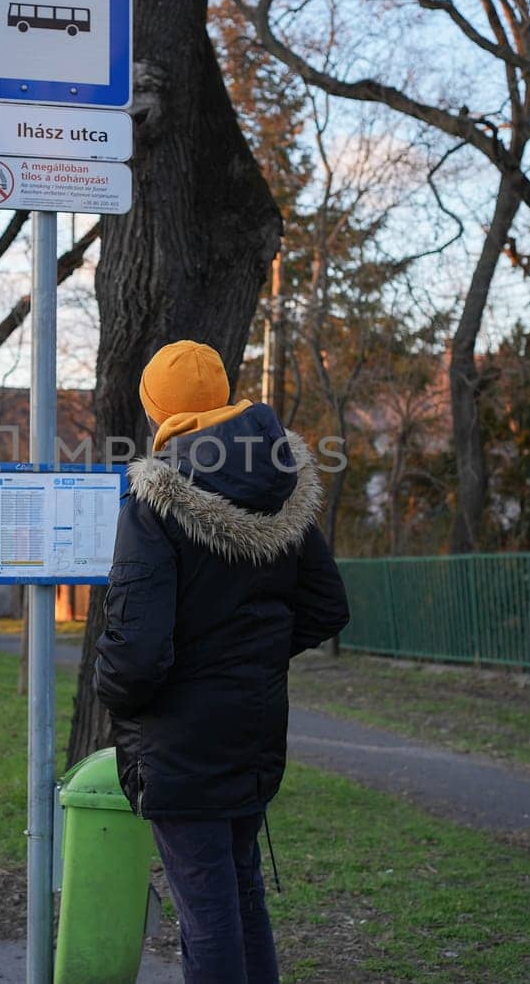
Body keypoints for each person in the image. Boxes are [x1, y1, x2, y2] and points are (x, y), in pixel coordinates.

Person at [94, 339, 351, 984]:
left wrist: (119, 694)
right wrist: (252, 658)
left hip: (182, 739)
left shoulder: (154, 502)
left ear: (156, 409)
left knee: (206, 911)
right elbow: (326, 606)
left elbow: (137, 653)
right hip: (256, 727)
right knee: (240, 892)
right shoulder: (281, 482)